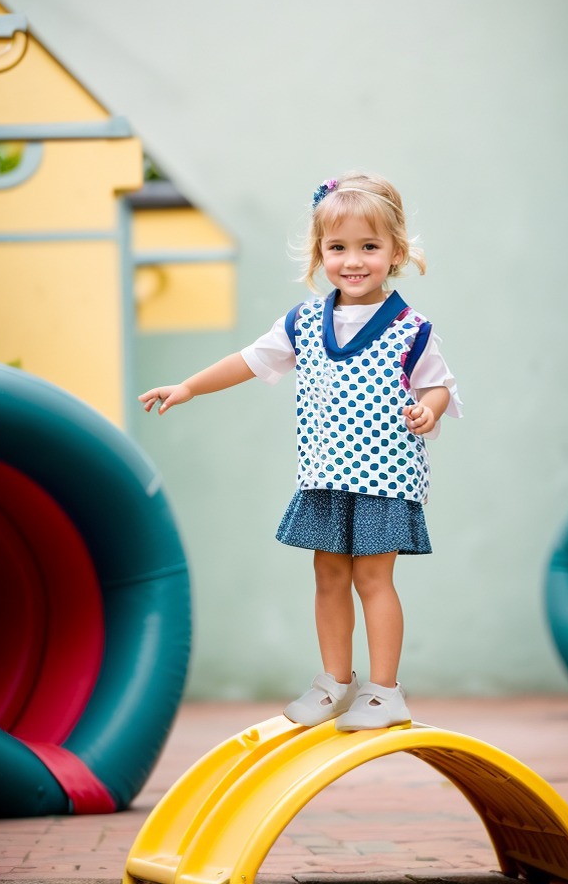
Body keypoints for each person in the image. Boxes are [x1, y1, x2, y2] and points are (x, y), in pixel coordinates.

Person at [139, 170, 461, 730]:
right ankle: (336, 681)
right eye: (337, 248)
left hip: (384, 479)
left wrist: (428, 407)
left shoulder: (412, 329)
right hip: (325, 475)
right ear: (319, 253)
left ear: (395, 252)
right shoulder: (304, 321)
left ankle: (385, 691)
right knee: (328, 575)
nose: (353, 260)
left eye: (369, 247)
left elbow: (439, 384)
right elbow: (249, 359)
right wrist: (188, 386)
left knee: (373, 580)